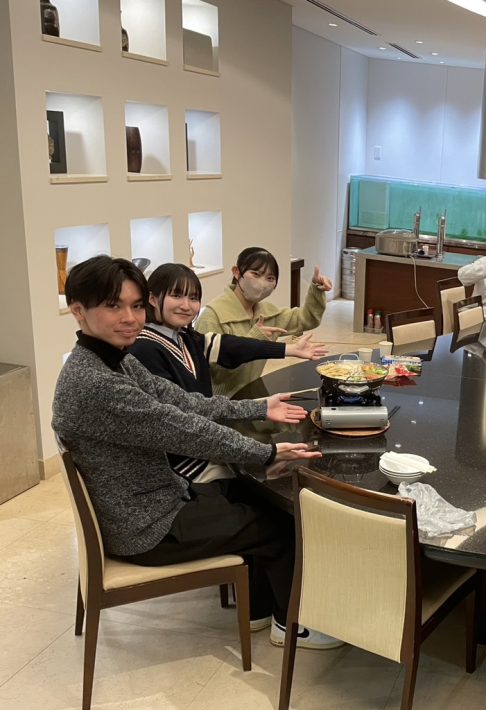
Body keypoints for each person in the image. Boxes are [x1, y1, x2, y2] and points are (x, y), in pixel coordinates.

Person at [52, 255, 338, 649]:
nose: (130, 318)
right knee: (281, 525)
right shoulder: (97, 383)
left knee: (253, 497)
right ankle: (292, 626)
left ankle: (257, 610)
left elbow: (181, 402)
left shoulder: (111, 360)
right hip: (147, 526)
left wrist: (257, 408)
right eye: (114, 306)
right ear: (78, 310)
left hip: (153, 500)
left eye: (136, 305)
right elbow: (182, 429)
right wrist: (266, 452)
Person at [130, 263, 329, 481]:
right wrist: (266, 452)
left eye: (193, 298)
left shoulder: (184, 337)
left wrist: (288, 349)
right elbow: (181, 421)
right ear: (152, 298)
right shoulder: (145, 348)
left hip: (207, 447)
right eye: (176, 296)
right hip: (185, 469)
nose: (186, 306)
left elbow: (232, 346)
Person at [195, 247, 334, 396]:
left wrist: (317, 289)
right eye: (255, 274)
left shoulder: (266, 313)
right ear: (236, 272)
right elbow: (207, 374)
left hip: (252, 394)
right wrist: (255, 339)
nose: (262, 283)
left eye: (270, 278)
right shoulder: (213, 317)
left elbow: (306, 318)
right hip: (218, 403)